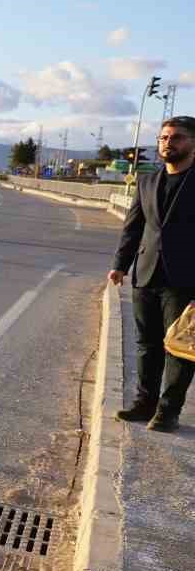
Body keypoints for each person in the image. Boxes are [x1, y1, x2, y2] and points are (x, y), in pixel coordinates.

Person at [110, 116, 195, 432]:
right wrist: (121, 264)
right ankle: (143, 405)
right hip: (145, 276)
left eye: (176, 137)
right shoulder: (147, 182)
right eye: (163, 137)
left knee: (180, 348)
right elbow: (132, 227)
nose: (168, 143)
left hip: (186, 280)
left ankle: (168, 411)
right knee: (146, 344)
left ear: (192, 143)